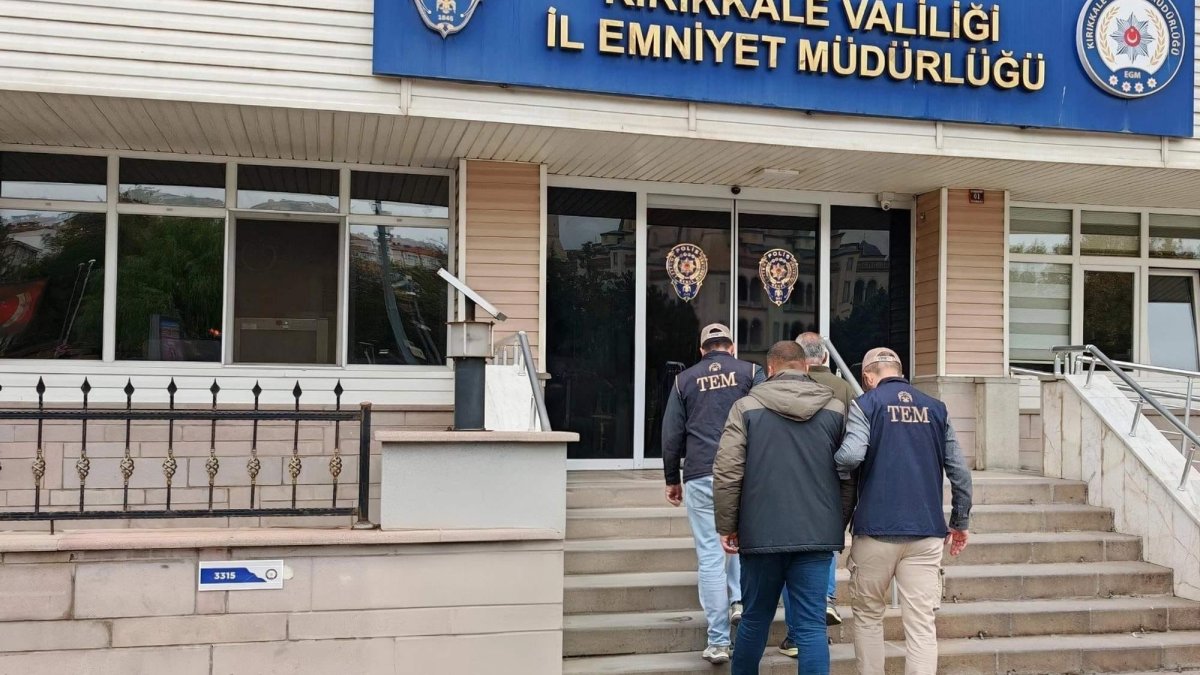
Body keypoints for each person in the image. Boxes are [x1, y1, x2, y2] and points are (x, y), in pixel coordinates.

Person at [713, 341, 854, 675]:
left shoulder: (745, 407)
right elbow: (849, 473)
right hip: (816, 535)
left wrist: (727, 525)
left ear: (771, 368)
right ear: (807, 366)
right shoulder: (835, 408)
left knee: (754, 620)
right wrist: (837, 522)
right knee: (810, 627)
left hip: (760, 534)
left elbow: (727, 471)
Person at [835, 347, 974, 675]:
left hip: (876, 530)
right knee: (922, 625)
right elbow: (960, 472)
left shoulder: (865, 404)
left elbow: (851, 456)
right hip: (926, 532)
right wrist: (960, 521)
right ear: (899, 370)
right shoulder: (936, 408)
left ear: (868, 376)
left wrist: (830, 462)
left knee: (869, 618)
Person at [662, 323, 765, 665]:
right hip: (744, 472)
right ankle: (738, 601)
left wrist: (671, 477)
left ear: (702, 349)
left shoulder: (684, 380)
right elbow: (766, 422)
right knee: (740, 541)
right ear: (731, 347)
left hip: (701, 473)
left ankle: (718, 640)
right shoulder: (751, 372)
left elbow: (671, 433)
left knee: (709, 555)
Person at [768, 332, 853, 660]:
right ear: (824, 357)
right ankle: (825, 601)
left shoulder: (773, 388)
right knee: (822, 551)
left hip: (787, 488)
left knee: (792, 568)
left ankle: (796, 632)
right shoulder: (844, 389)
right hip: (828, 485)